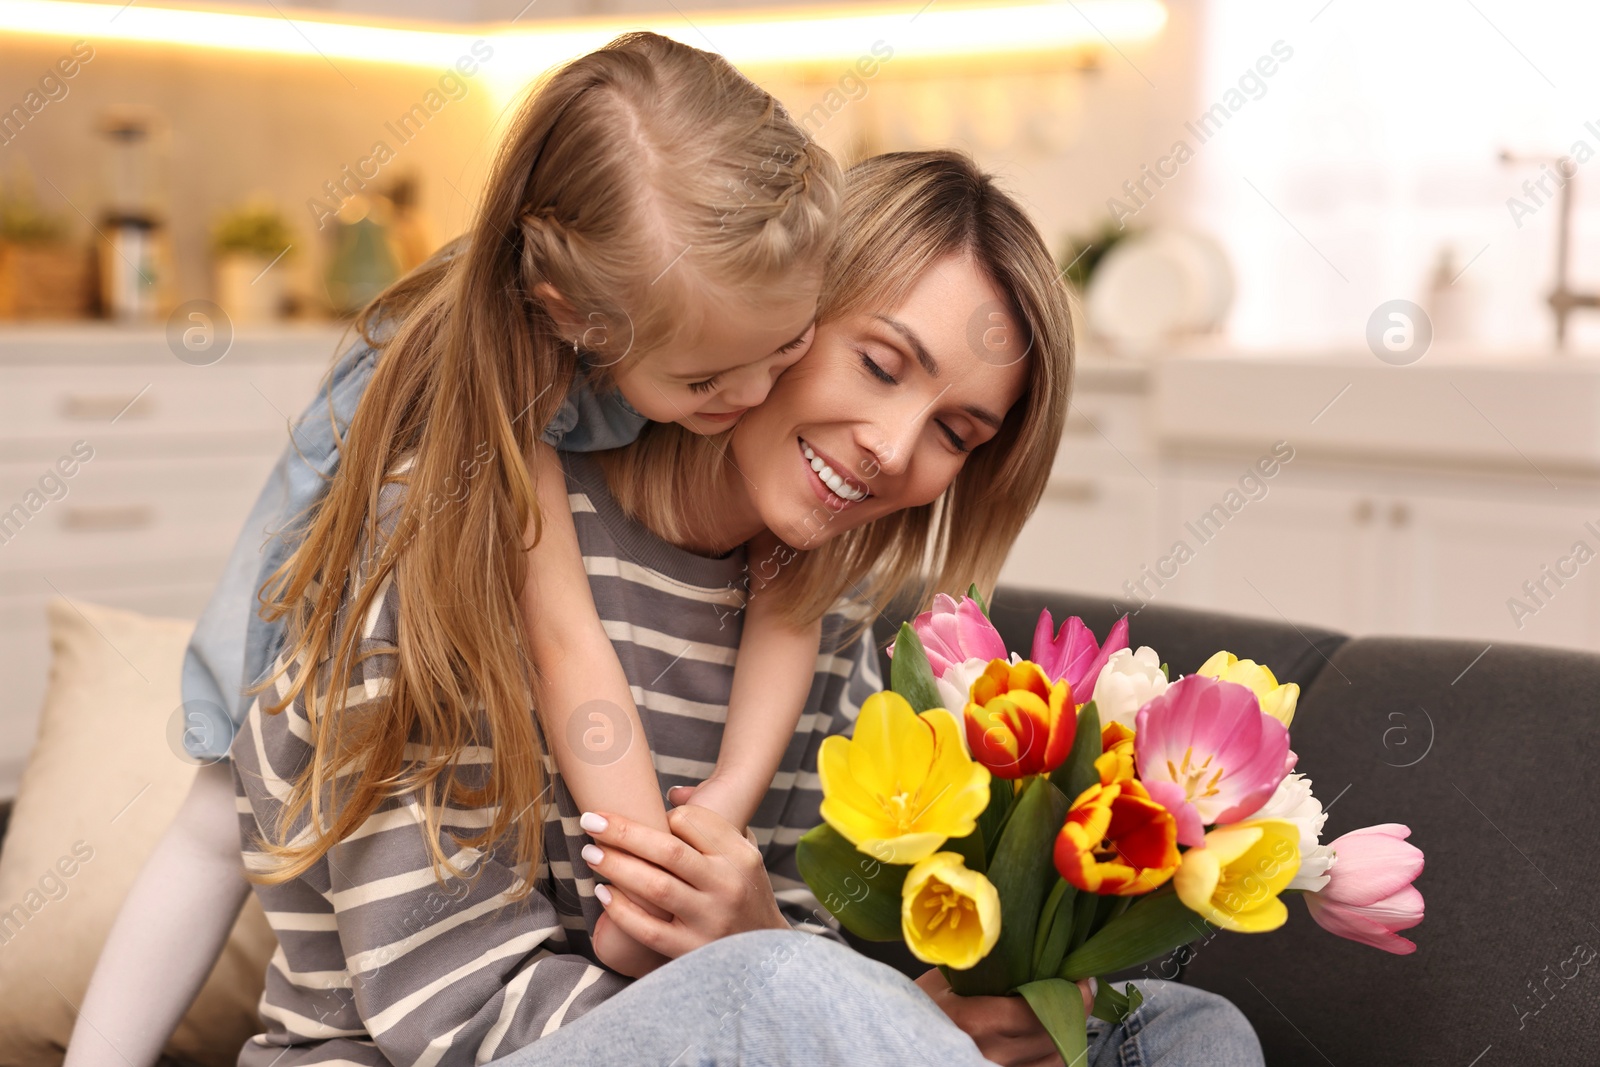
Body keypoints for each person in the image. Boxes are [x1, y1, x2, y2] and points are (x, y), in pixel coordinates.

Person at [72, 152, 1266, 1067]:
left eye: (956, 430)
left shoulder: (839, 629)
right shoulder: (457, 528)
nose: (895, 447)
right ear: (777, 315)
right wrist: (777, 978)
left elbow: (808, 973)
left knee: (1171, 1026)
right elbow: (444, 1008)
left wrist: (798, 954)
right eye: (879, 363)